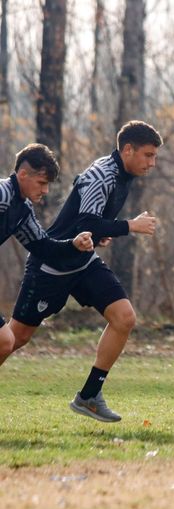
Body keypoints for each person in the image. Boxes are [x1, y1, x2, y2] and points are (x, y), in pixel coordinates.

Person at [7, 121, 162, 422]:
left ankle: (89, 395)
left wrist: (99, 234)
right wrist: (130, 226)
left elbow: (89, 224)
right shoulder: (102, 174)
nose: (152, 163)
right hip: (52, 265)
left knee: (124, 317)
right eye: (148, 155)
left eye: (154, 156)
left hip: (83, 261)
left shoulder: (124, 173)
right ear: (127, 150)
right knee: (15, 337)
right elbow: (86, 222)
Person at [0, 144, 94, 363]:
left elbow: (43, 248)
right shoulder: (3, 194)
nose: (45, 191)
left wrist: (73, 245)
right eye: (42, 183)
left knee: (5, 342)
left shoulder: (22, 210)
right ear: (22, 174)